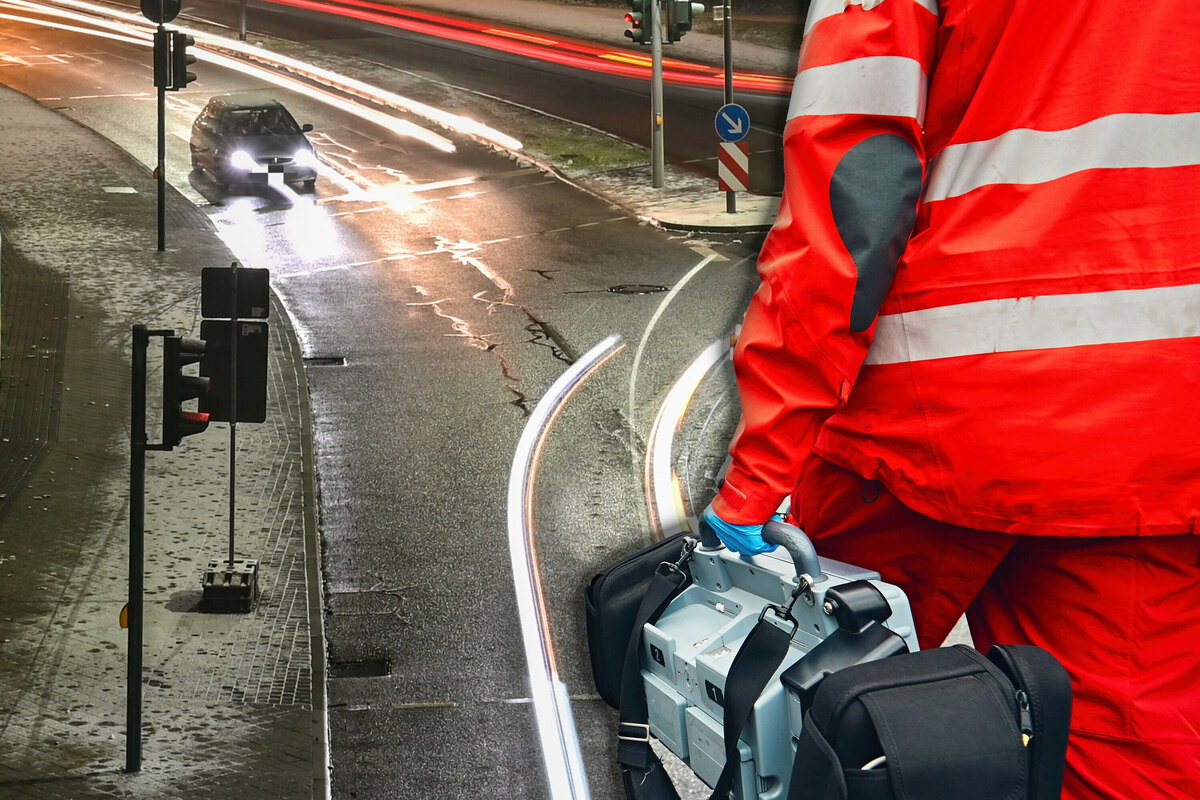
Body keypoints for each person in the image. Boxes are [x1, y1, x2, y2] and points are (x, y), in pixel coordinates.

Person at [701, 1, 1200, 797]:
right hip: (1158, 434)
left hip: (927, 430)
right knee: (1126, 763)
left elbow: (852, 189)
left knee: (813, 728)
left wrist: (761, 469)